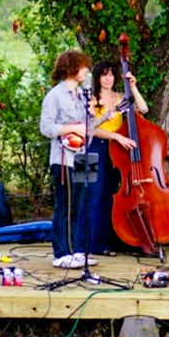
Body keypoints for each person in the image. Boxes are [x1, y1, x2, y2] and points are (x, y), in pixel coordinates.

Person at [39, 49, 100, 270]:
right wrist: (70, 128)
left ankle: (76, 250)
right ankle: (61, 252)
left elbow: (89, 129)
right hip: (63, 157)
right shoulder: (54, 95)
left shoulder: (83, 95)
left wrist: (96, 118)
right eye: (83, 66)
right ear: (72, 68)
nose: (86, 71)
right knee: (64, 205)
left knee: (80, 204)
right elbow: (45, 127)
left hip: (84, 155)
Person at [87, 58, 149, 255]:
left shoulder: (121, 97)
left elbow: (144, 108)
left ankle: (104, 242)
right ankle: (85, 243)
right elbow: (89, 129)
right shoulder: (91, 98)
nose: (109, 79)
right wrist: (115, 135)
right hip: (92, 147)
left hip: (115, 150)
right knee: (90, 195)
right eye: (104, 75)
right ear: (97, 77)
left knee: (108, 196)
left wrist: (133, 86)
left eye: (112, 74)